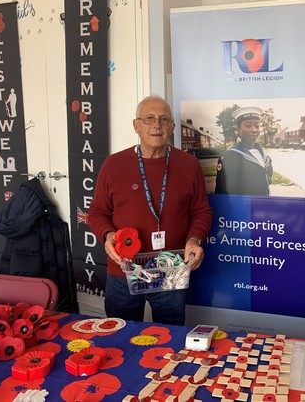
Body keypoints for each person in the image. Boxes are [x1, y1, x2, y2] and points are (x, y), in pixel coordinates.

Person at [88, 95, 213, 325]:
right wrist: (107, 235)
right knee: (120, 336)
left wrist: (195, 240)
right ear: (136, 125)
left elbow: (201, 212)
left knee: (170, 337)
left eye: (164, 119)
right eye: (149, 118)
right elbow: (96, 212)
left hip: (171, 270)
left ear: (172, 127)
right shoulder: (113, 165)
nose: (157, 124)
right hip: (124, 271)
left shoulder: (189, 165)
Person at [214, 106, 273, 195]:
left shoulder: (265, 157)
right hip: (242, 207)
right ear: (238, 129)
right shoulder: (229, 157)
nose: (254, 130)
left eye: (257, 126)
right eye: (248, 125)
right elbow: (221, 192)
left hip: (262, 206)